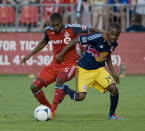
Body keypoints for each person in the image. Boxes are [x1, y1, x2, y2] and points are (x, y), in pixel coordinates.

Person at [22, 13, 110, 120]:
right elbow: (43, 43)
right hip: (54, 65)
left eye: (57, 25)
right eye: (53, 25)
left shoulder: (73, 28)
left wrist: (104, 32)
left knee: (60, 80)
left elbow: (90, 29)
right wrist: (29, 55)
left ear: (62, 21)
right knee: (34, 86)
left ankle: (52, 113)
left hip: (70, 64)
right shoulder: (48, 31)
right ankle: (48, 108)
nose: (55, 28)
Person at [56, 23, 124, 120]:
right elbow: (77, 40)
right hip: (84, 69)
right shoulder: (97, 38)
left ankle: (112, 115)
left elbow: (107, 56)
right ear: (107, 32)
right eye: (111, 34)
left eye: (116, 35)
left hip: (99, 70)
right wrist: (62, 53)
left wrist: (113, 73)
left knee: (114, 89)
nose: (114, 37)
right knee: (80, 97)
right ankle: (65, 89)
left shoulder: (114, 44)